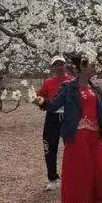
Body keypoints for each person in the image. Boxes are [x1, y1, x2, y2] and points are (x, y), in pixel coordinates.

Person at [43, 57, 102, 203]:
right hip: (77, 136)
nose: (95, 68)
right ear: (82, 66)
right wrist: (41, 101)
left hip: (95, 137)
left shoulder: (96, 89)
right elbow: (53, 105)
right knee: (82, 173)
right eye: (92, 65)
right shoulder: (68, 87)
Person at [35, 55, 73, 190]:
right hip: (52, 116)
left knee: (72, 147)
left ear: (65, 65)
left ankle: (73, 176)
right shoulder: (48, 82)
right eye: (56, 65)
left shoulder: (72, 81)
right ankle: (52, 178)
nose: (59, 67)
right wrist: (37, 99)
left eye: (61, 64)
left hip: (69, 117)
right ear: (53, 68)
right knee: (50, 147)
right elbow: (42, 97)